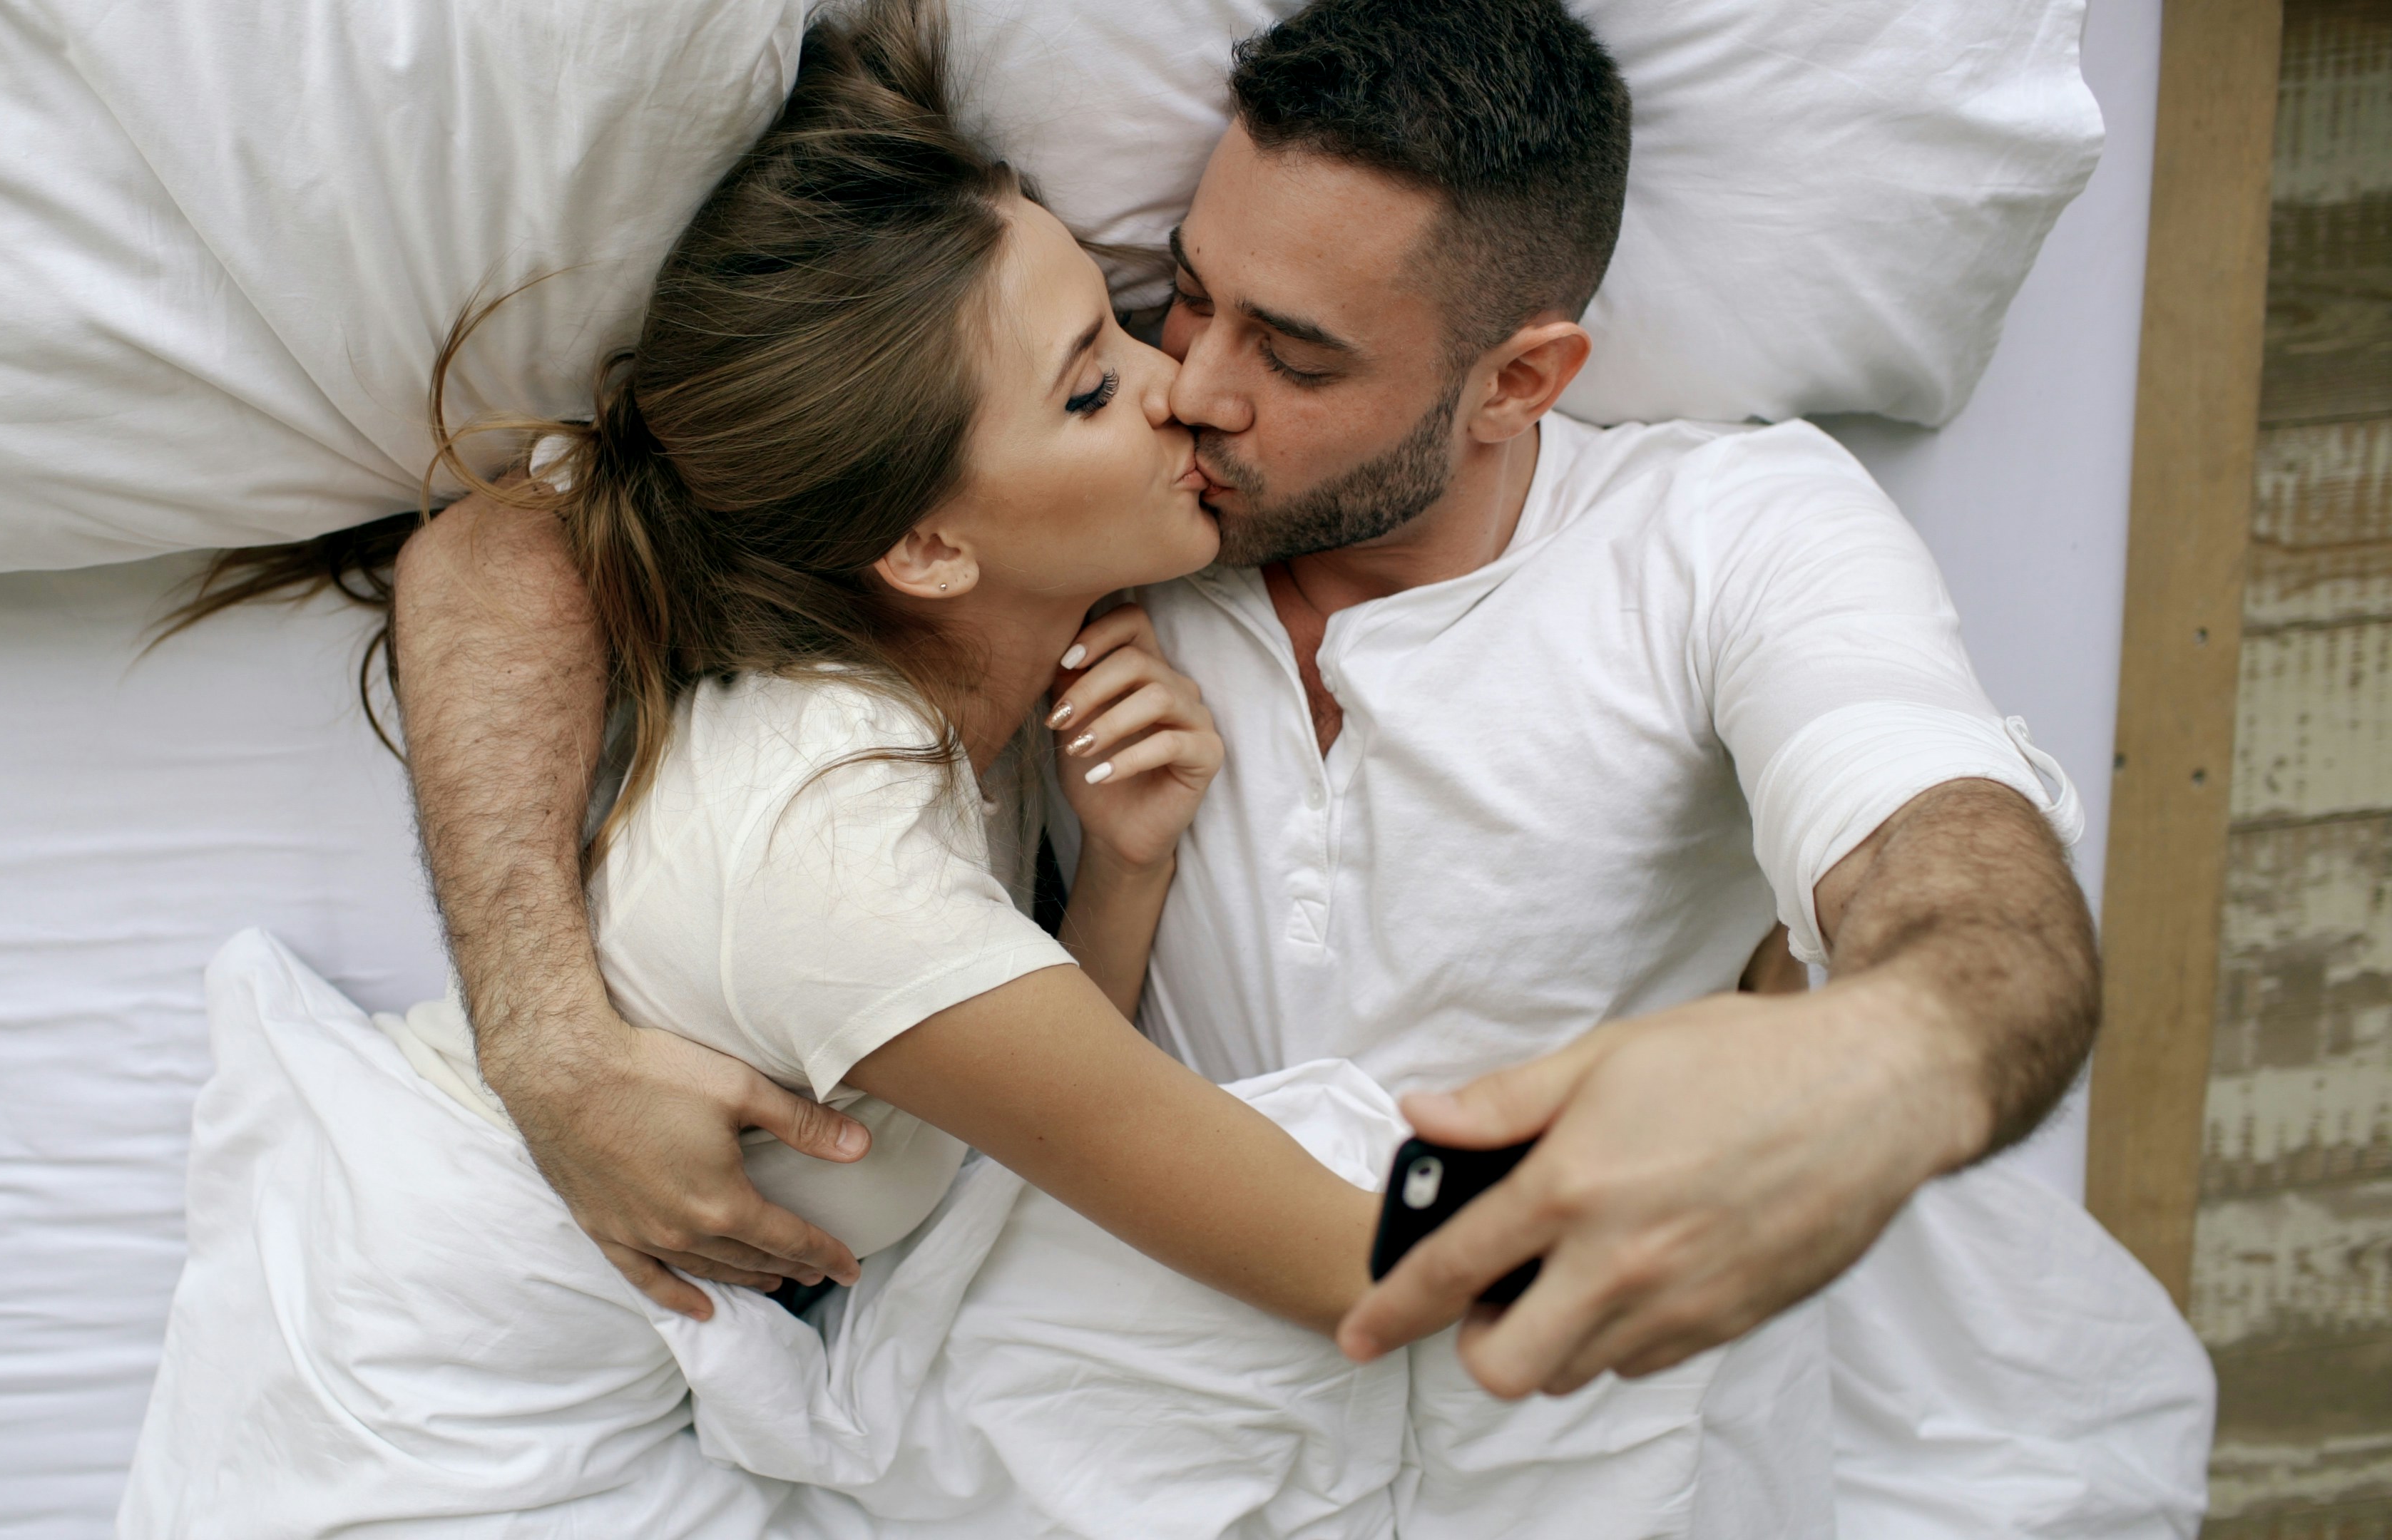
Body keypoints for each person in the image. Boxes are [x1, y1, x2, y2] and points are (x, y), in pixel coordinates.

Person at [384, 0, 2098, 1531]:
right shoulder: (1078, 530)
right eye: (1181, 295)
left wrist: (1889, 1055)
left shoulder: (1727, 538)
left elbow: (1950, 849)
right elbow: (505, 552)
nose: (1194, 389)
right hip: (1102, 1412)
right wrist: (543, 1026)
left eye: (1295, 354)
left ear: (1523, 379)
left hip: (1560, 1431)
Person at [126, 5, 1470, 1531]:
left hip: (652, 1376)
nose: (1182, 389)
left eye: (1121, 320)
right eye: (1090, 386)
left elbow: (1010, 1110)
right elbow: (1342, 1256)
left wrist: (1123, 868)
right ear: (928, 545)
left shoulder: (952, 692)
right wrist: (1736, 1109)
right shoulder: (833, 846)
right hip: (431, 1417)